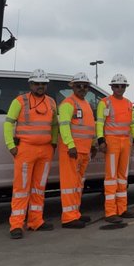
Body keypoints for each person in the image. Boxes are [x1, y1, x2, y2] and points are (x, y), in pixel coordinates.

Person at [3, 69, 59, 238]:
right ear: (30, 84)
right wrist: (11, 145)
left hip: (45, 150)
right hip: (26, 150)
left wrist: (54, 142)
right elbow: (8, 124)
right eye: (37, 83)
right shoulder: (19, 101)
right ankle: (16, 225)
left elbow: (55, 125)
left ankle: (36, 221)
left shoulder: (51, 102)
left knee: (39, 188)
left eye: (43, 84)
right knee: (21, 189)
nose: (40, 86)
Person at [97, 73, 134, 226]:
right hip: (112, 142)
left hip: (125, 142)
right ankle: (110, 212)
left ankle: (122, 209)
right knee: (111, 177)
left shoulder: (128, 103)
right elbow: (99, 123)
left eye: (122, 86)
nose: (119, 88)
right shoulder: (105, 103)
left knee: (123, 176)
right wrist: (101, 140)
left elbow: (133, 123)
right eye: (116, 86)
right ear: (112, 87)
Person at [57, 72, 98, 228]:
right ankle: (68, 218)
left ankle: (75, 213)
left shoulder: (85, 104)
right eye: (79, 85)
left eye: (85, 86)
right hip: (72, 151)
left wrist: (93, 144)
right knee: (69, 185)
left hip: (84, 150)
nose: (82, 88)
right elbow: (64, 126)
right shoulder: (68, 103)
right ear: (72, 87)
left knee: (78, 184)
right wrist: (70, 145)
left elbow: (89, 127)